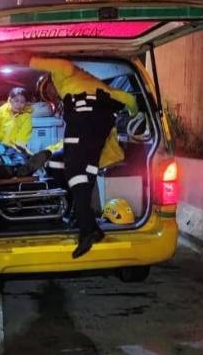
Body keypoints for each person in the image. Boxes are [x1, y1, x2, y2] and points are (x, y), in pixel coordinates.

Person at [31, 57, 138, 259]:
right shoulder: (98, 90)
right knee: (66, 167)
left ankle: (87, 228)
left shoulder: (62, 75)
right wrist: (135, 116)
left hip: (86, 115)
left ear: (50, 81)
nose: (50, 96)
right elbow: (130, 100)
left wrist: (29, 59)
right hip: (96, 129)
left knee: (75, 171)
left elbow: (63, 65)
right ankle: (79, 216)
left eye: (48, 91)